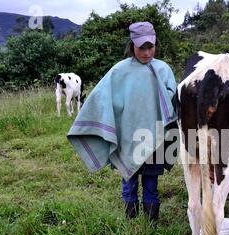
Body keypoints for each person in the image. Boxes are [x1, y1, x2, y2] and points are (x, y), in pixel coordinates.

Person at [67, 22, 177, 223]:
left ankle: (150, 226)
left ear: (156, 45)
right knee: (129, 181)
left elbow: (173, 102)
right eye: (141, 48)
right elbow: (100, 98)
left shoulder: (163, 70)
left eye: (150, 47)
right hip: (128, 138)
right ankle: (132, 223)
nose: (146, 52)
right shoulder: (119, 71)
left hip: (154, 138)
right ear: (132, 45)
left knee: (151, 183)